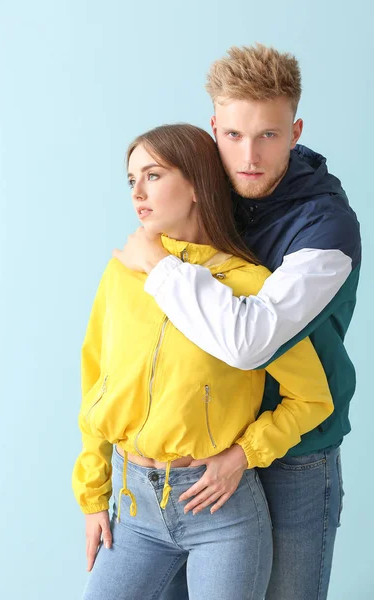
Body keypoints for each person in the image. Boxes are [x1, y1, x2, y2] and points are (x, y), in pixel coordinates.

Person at [114, 45, 361, 600]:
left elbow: (249, 342)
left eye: (268, 136)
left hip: (294, 456)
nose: (248, 155)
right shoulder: (209, 186)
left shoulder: (327, 230)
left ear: (295, 131)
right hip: (201, 456)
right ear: (214, 128)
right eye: (233, 135)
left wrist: (158, 262)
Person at [73, 123, 334, 600]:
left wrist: (245, 454)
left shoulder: (249, 285)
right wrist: (93, 497)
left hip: (221, 515)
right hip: (134, 509)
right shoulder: (122, 272)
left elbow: (313, 398)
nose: (138, 192)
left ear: (194, 182)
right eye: (131, 180)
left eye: (152, 175)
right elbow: (97, 384)